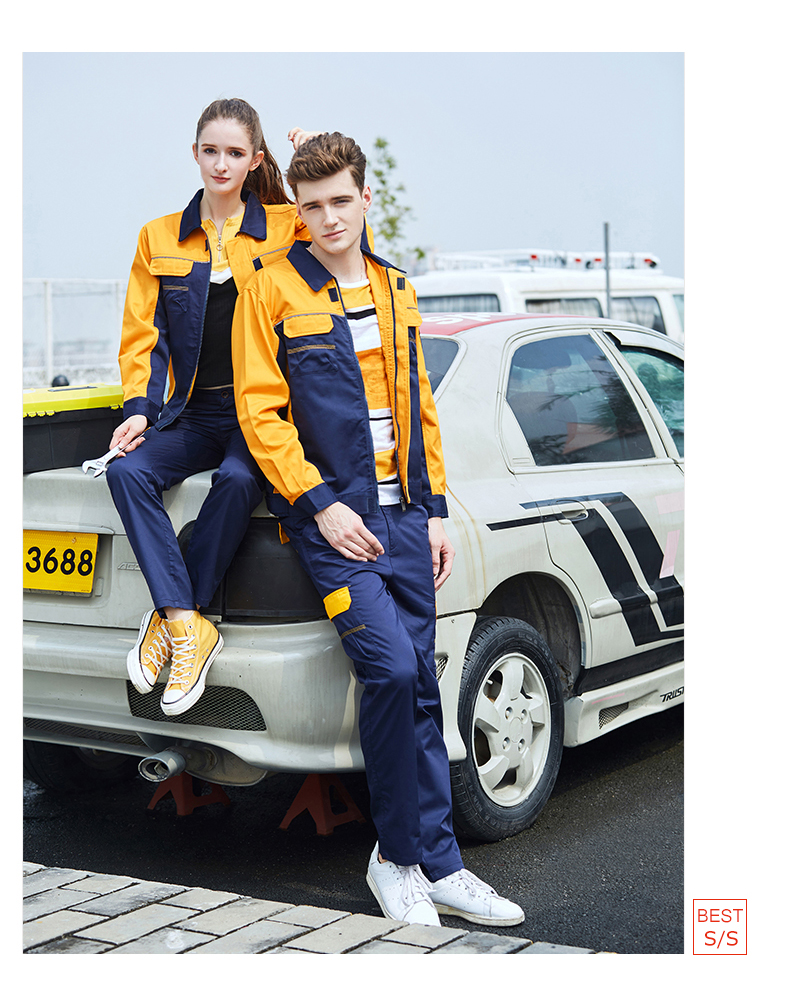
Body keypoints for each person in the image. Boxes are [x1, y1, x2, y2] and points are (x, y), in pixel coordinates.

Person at [231, 132, 525, 928]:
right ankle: (395, 859)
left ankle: (442, 865)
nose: (329, 218)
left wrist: (435, 512)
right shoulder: (269, 289)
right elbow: (262, 416)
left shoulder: (397, 289)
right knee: (392, 673)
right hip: (336, 529)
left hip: (407, 521)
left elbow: (419, 407)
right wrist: (322, 506)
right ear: (298, 210)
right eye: (312, 205)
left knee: (423, 686)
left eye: (341, 201)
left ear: (367, 199)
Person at [106, 98, 330, 717]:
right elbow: (142, 333)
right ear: (195, 153)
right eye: (211, 151)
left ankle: (173, 620)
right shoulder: (157, 237)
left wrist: (314, 156)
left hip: (261, 413)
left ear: (255, 159)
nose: (221, 163)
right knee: (127, 471)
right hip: (192, 413)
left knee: (237, 480)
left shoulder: (286, 225)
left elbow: (347, 240)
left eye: (235, 153)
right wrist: (139, 408)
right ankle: (186, 620)